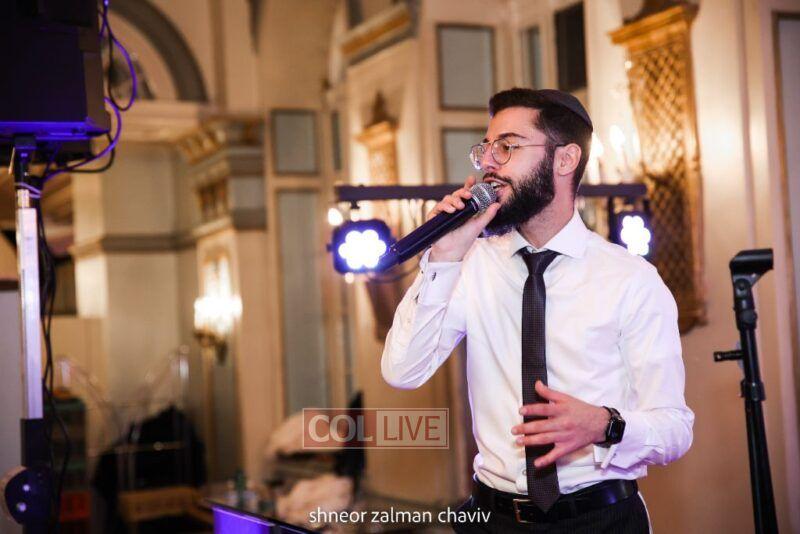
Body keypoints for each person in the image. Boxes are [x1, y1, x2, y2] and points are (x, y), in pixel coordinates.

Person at [380, 88, 694, 533]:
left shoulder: (631, 279)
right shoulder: (470, 264)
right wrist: (444, 255)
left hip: (600, 522)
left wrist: (604, 425)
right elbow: (402, 371)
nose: (489, 163)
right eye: (486, 148)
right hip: (491, 520)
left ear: (565, 160)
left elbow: (675, 430)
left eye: (507, 147)